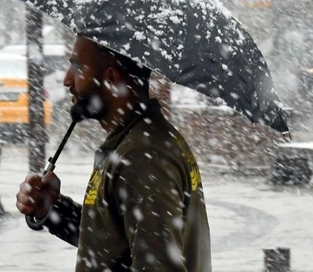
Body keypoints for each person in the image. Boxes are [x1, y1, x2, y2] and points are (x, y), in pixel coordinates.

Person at [16, 35, 212, 272]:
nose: (68, 80)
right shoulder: (133, 144)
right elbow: (111, 245)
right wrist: (53, 209)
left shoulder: (142, 157)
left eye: (78, 67)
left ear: (111, 78)